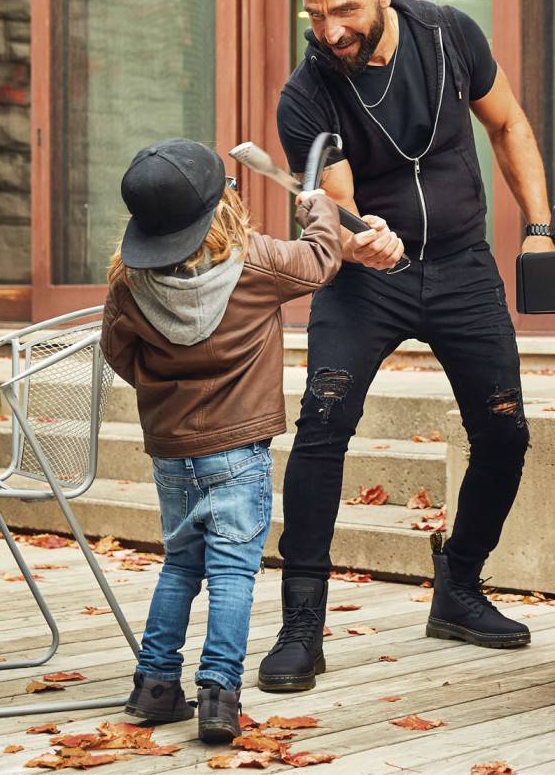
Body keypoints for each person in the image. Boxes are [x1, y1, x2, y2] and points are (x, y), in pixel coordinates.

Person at [258, 0, 555, 693]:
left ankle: (458, 585)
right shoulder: (307, 92)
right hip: (369, 279)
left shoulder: (450, 36)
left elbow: (509, 124)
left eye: (345, 10)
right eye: (314, 13)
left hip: (462, 266)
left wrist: (537, 228)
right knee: (322, 427)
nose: (329, 30)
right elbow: (337, 202)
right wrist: (361, 238)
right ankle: (301, 626)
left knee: (504, 433)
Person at [100, 137, 340, 741]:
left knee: (180, 565)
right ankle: (218, 697)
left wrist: (166, 387)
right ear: (223, 205)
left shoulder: (129, 282)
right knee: (233, 571)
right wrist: (323, 211)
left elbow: (119, 356)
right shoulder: (254, 263)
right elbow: (319, 262)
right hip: (239, 453)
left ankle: (155, 687)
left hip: (172, 452)